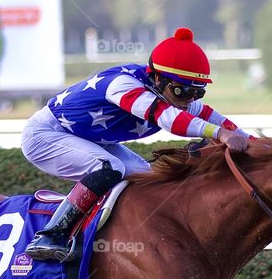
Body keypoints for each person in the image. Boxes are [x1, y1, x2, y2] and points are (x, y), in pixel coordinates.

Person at [21, 27, 250, 262]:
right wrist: (220, 134)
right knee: (109, 168)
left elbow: (211, 117)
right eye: (182, 91)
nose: (188, 100)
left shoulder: (170, 92)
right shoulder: (123, 85)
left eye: (197, 93)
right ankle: (51, 235)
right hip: (46, 134)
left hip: (88, 137)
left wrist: (253, 143)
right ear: (158, 79)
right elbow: (168, 118)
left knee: (149, 179)